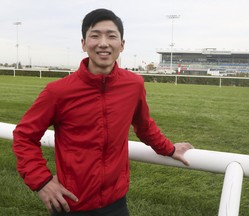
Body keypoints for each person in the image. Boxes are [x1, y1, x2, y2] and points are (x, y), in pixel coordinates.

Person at [12, 8, 193, 215]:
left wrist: (169, 149)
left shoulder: (134, 84)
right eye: (95, 35)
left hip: (117, 203)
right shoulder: (58, 91)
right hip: (70, 204)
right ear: (83, 43)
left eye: (111, 36)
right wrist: (42, 182)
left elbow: (144, 126)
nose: (103, 43)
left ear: (122, 45)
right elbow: (24, 136)